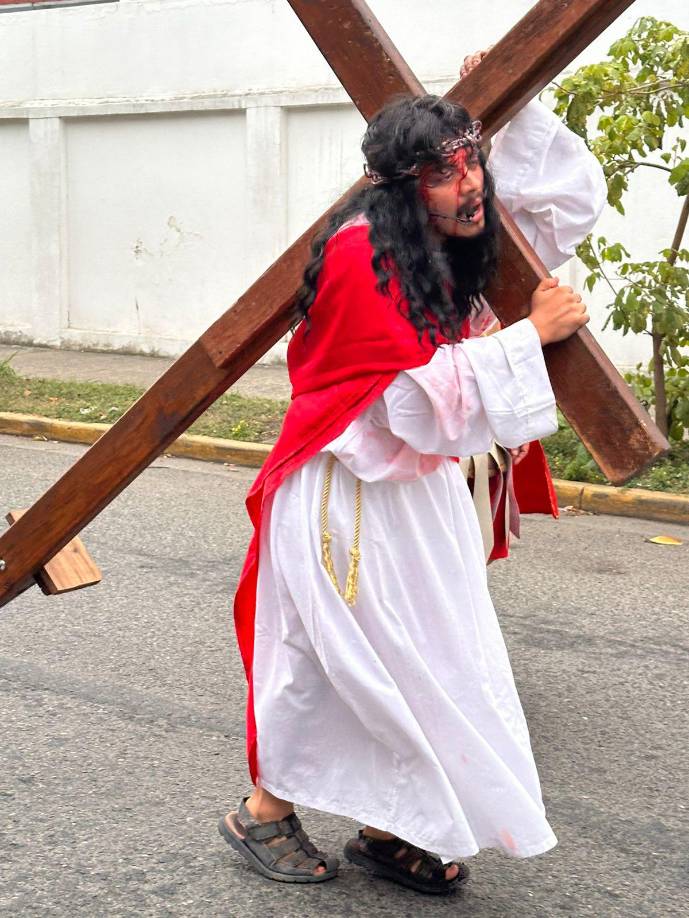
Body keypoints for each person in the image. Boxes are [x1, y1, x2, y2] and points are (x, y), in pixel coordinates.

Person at [218, 51, 607, 895]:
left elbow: (566, 208)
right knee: (340, 662)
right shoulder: (364, 254)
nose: (469, 186)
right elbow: (406, 402)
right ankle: (263, 811)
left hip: (415, 492)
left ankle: (394, 826)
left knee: (434, 659)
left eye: (473, 161)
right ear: (400, 186)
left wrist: (521, 108)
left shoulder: (455, 234)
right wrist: (526, 337)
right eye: (444, 172)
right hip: (344, 496)